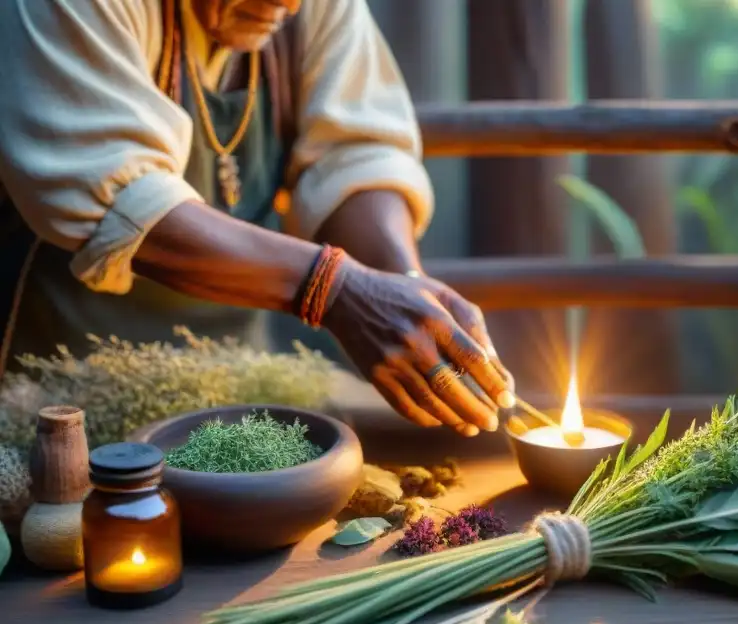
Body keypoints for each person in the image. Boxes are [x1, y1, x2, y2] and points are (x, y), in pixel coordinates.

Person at [0, 0, 512, 438]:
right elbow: (124, 201)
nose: (288, 7)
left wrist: (406, 290)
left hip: (236, 388)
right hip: (50, 402)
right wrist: (333, 287)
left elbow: (358, 153)